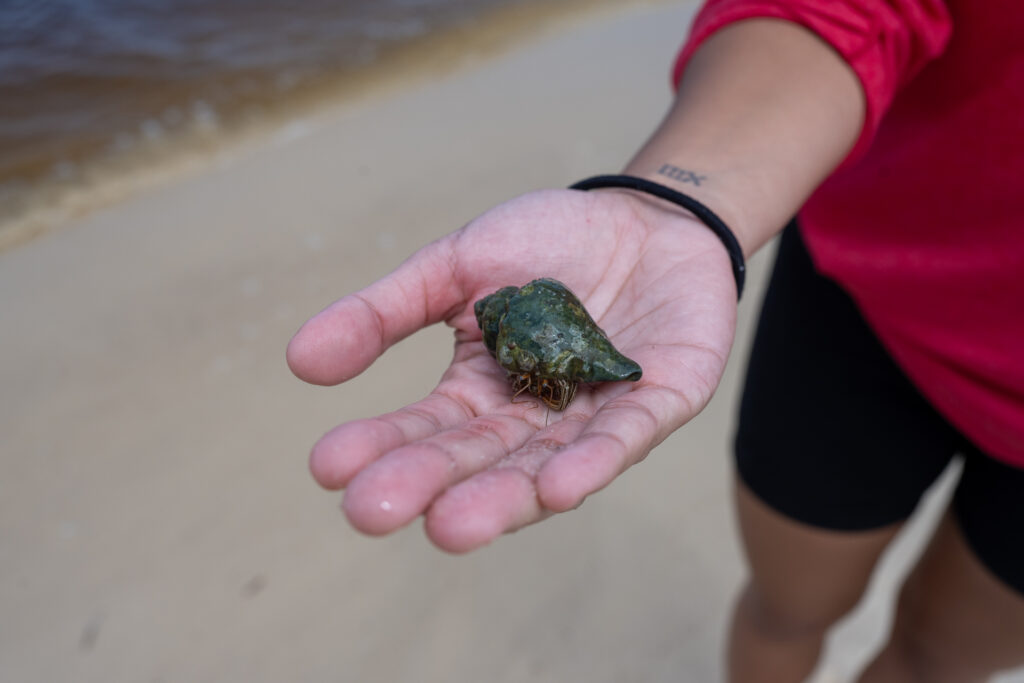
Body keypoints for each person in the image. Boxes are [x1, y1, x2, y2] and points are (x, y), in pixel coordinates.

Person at [287, 1, 1024, 680]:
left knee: (942, 659)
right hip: (867, 291)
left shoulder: (527, 320)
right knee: (787, 607)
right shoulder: (535, 311)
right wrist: (675, 203)